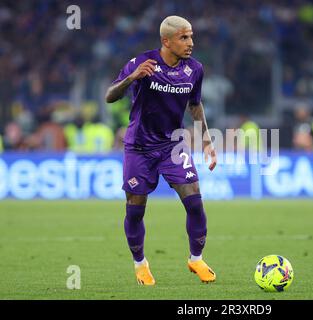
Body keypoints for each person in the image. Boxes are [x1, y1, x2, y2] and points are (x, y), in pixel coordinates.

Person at [105, 16, 217, 286]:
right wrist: (131, 78)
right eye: (184, 37)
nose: (191, 43)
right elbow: (110, 96)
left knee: (195, 203)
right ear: (166, 41)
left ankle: (196, 259)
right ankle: (141, 264)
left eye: (191, 36)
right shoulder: (142, 63)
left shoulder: (195, 70)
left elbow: (195, 105)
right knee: (135, 210)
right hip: (139, 147)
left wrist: (206, 141)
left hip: (173, 145)